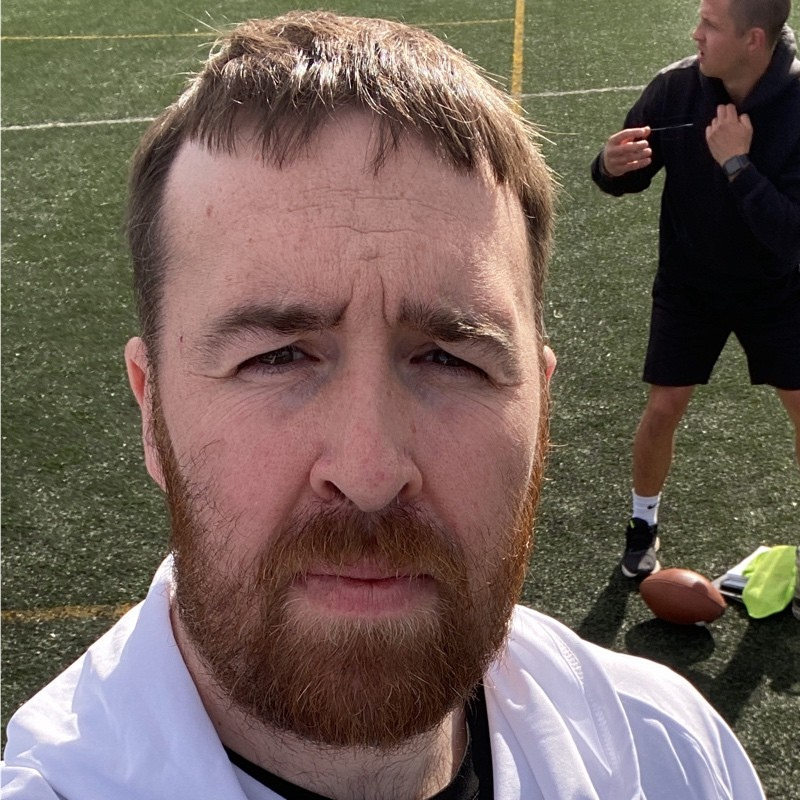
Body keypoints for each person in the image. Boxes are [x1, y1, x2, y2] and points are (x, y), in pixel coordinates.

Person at [3, 12, 766, 800]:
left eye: (450, 359)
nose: (369, 474)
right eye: (275, 357)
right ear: (151, 411)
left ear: (541, 414)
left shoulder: (672, 755)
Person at [591, 0, 800, 579]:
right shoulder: (675, 88)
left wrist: (737, 165)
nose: (695, 33)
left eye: (710, 24)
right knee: (663, 406)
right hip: (691, 283)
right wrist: (610, 166)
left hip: (778, 287)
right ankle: (642, 525)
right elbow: (621, 176)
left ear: (753, 39)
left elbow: (791, 238)